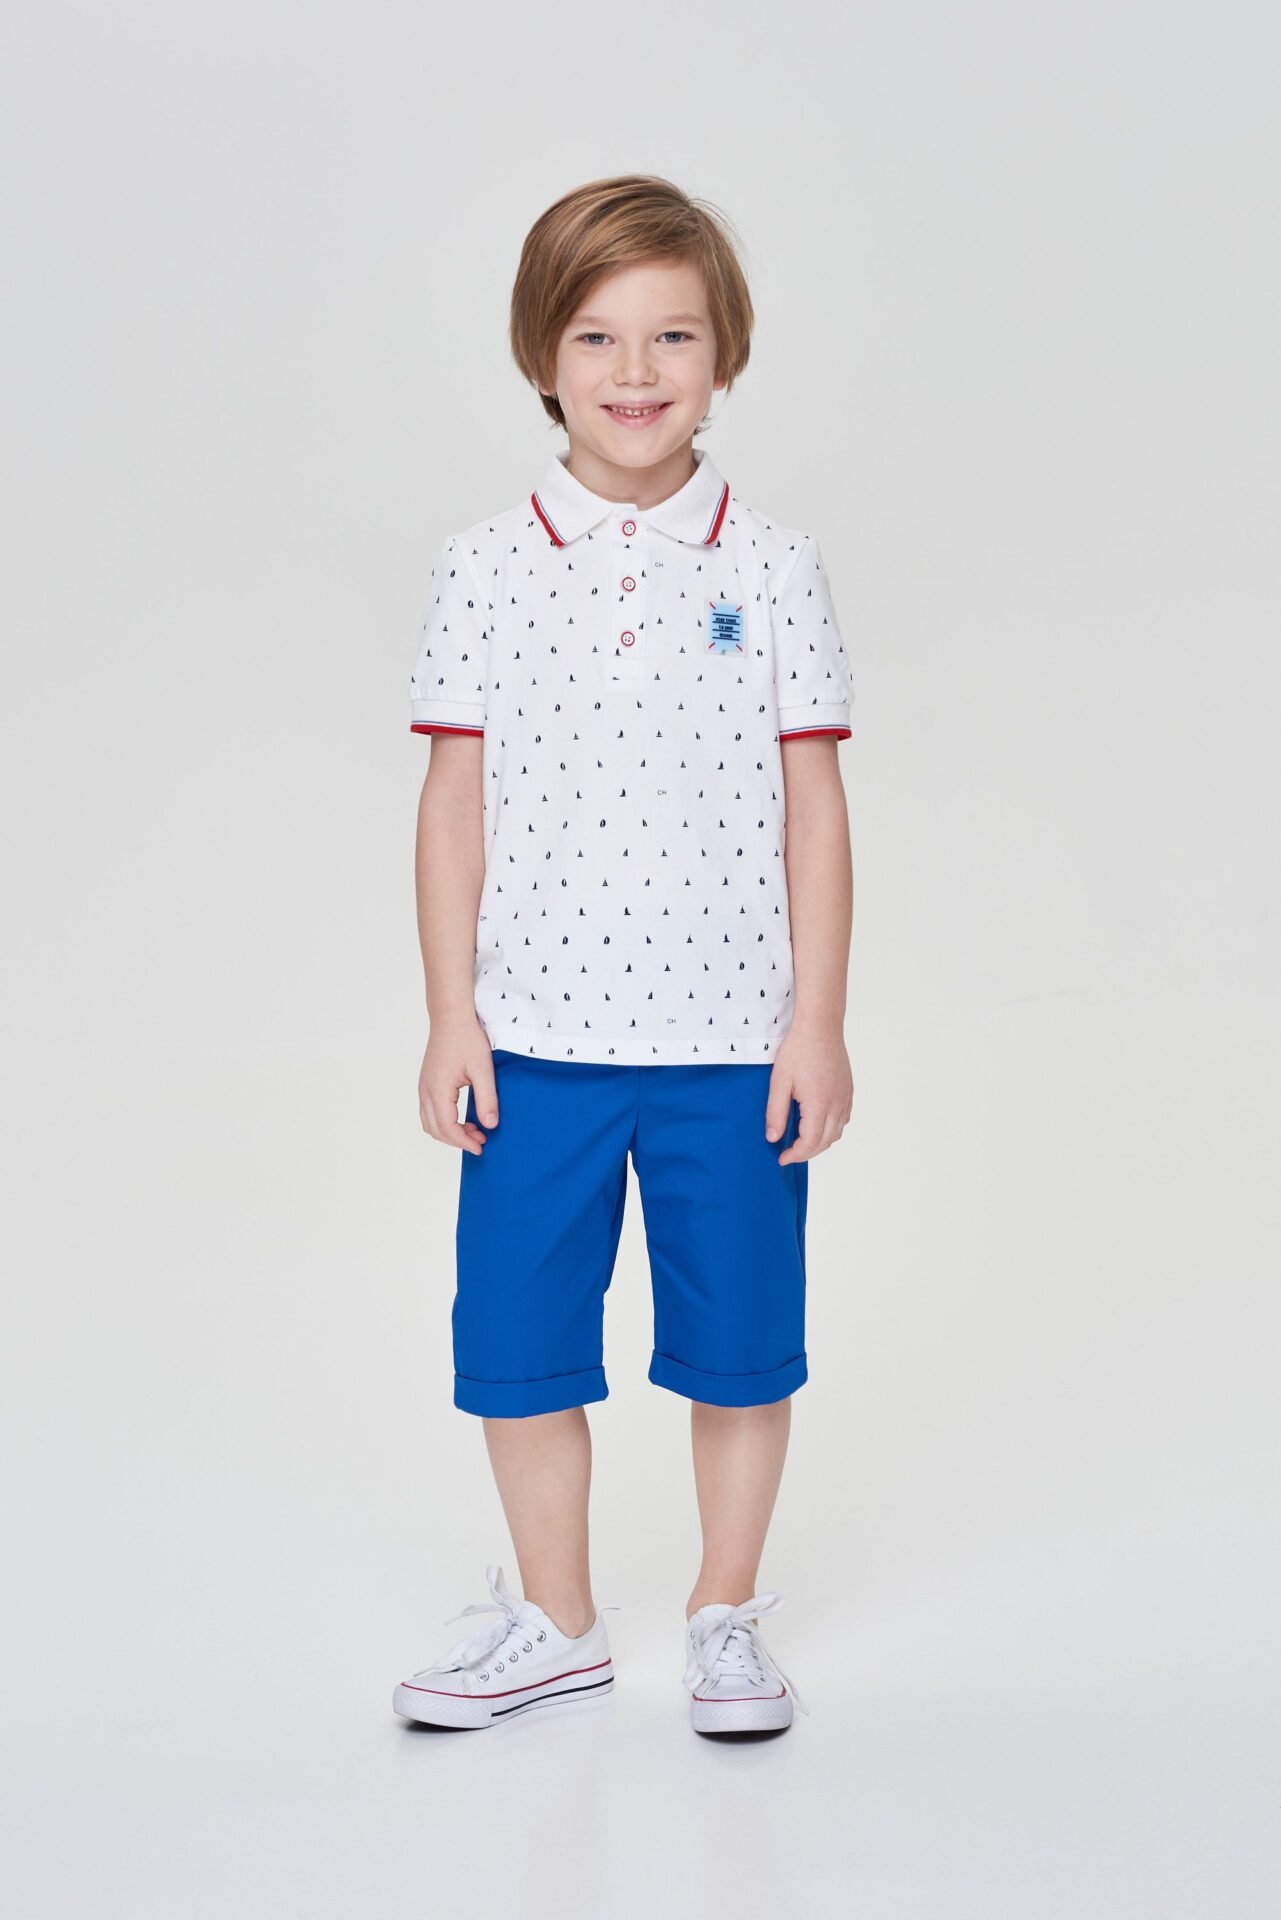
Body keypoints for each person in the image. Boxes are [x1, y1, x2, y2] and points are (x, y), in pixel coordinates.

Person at [391, 174, 854, 1737]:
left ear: (724, 356)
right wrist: (450, 1014)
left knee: (741, 1345)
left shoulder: (771, 563)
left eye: (674, 335)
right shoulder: (483, 563)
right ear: (542, 352)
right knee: (518, 1341)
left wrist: (816, 1023)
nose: (635, 369)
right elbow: (451, 804)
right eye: (596, 335)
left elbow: (814, 809)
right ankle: (555, 1621)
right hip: (534, 1043)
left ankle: (725, 1615)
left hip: (734, 1044)